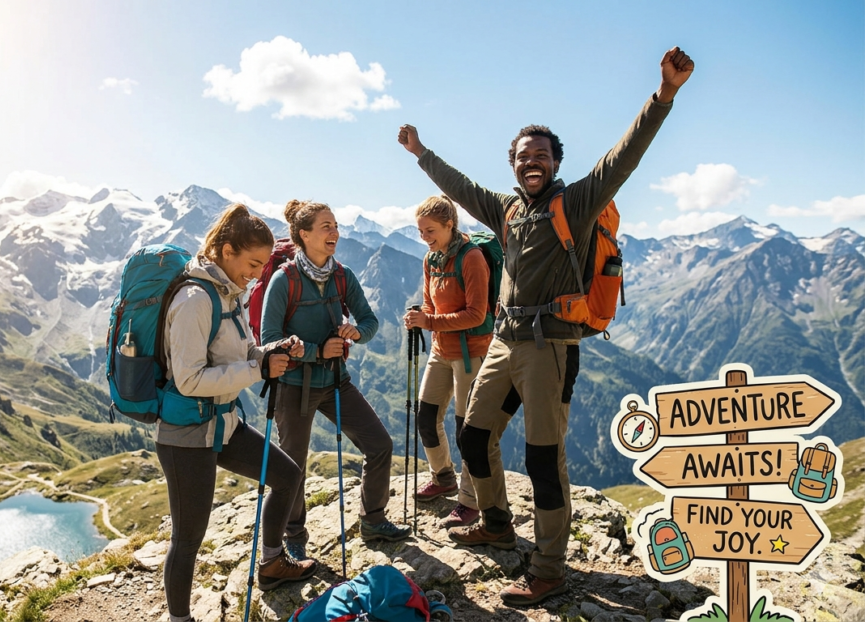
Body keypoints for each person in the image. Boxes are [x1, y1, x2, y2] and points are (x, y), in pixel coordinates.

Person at [397, 47, 695, 606]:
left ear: (555, 162)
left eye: (540, 155)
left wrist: (664, 96)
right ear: (512, 164)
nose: (530, 162)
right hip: (506, 342)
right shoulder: (508, 212)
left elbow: (622, 158)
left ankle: (550, 568)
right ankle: (497, 521)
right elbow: (459, 188)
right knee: (473, 434)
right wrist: (421, 153)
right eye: (521, 156)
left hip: (550, 346)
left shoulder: (576, 204)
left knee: (541, 457)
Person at [157, 204, 316, 622]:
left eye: (263, 265)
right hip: (187, 433)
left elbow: (244, 353)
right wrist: (255, 369)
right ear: (226, 250)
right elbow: (188, 380)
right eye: (252, 263)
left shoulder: (230, 293)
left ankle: (271, 563)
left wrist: (270, 353)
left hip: (224, 423)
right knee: (189, 536)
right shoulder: (194, 299)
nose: (258, 274)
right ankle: (179, 618)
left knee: (287, 477)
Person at [261, 199, 410, 563]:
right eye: (326, 226)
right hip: (295, 387)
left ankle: (373, 520)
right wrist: (316, 351)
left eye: (336, 225)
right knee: (292, 467)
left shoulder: (342, 276)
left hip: (336, 383)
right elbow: (267, 341)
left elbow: (370, 322)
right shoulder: (284, 281)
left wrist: (355, 333)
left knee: (380, 445)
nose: (335, 232)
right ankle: (294, 537)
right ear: (303, 235)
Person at [403, 195, 491, 529]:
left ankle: (470, 502)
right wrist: (420, 317)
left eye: (430, 230)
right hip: (442, 351)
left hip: (471, 353)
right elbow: (430, 305)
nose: (425, 237)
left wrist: (431, 323)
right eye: (421, 231)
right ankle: (443, 477)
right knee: (426, 416)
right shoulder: (432, 259)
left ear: (449, 224)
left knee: (465, 431)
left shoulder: (472, 258)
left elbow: (476, 314)